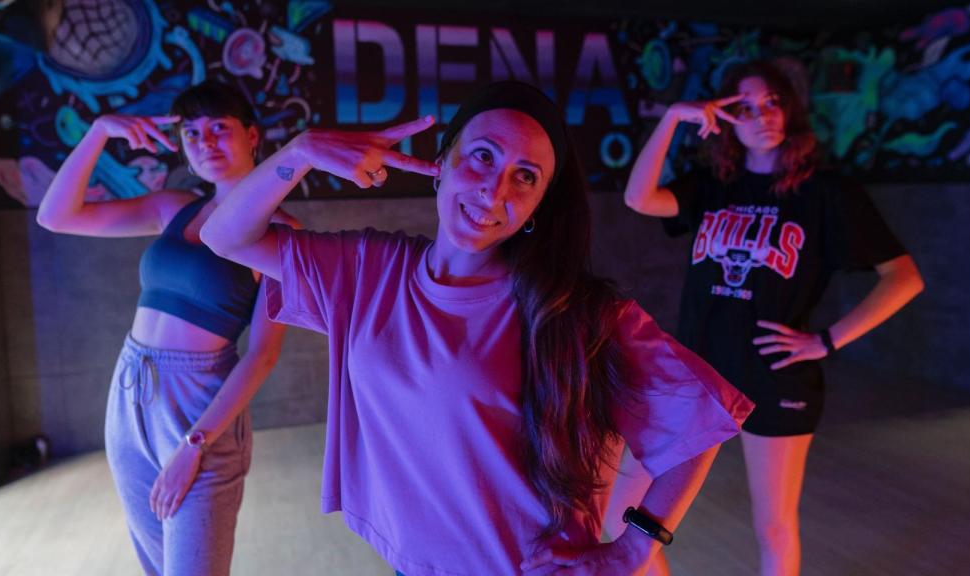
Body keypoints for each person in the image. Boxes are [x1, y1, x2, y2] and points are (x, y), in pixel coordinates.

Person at [199, 81, 753, 575]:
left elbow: (701, 425)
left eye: (525, 177)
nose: (494, 191)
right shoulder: (368, 270)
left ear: (537, 203)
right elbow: (225, 237)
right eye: (482, 156)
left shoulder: (574, 310)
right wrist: (301, 152)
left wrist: (634, 549)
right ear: (442, 160)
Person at [622, 60, 924, 576]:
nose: (763, 115)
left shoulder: (826, 193)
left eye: (773, 103)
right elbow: (637, 198)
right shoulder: (713, 184)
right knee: (628, 509)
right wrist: (673, 117)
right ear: (724, 117)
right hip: (699, 373)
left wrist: (826, 341)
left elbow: (904, 277)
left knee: (775, 526)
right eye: (746, 106)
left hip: (775, 375)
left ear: (789, 110)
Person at [36, 80, 298, 576]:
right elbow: (56, 216)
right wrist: (98, 132)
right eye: (193, 134)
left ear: (253, 136)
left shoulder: (282, 233)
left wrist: (194, 445)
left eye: (220, 128)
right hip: (130, 393)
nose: (206, 143)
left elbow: (263, 354)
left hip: (201, 408)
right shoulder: (172, 207)